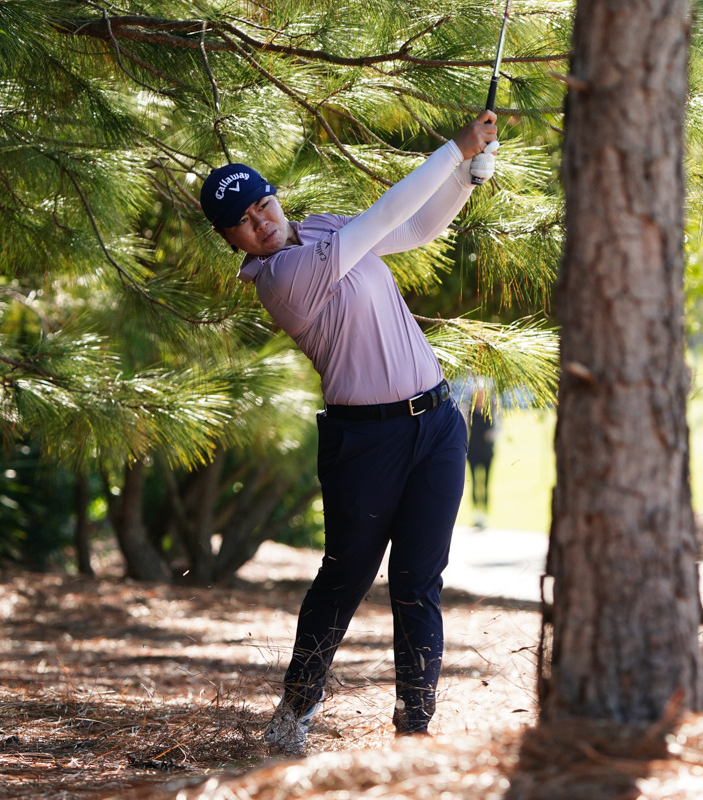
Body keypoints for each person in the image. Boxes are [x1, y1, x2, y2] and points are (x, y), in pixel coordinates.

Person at [199, 111, 498, 755]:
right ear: (233, 243)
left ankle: (414, 730)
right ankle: (297, 708)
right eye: (244, 224)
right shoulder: (279, 278)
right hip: (366, 444)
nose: (262, 222)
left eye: (263, 204)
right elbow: (384, 218)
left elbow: (416, 227)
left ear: (276, 196)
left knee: (420, 580)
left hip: (436, 424)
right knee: (346, 579)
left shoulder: (325, 231)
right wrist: (455, 150)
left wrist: (466, 179)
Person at [465, 377, 496, 527]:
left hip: (487, 452)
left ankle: (484, 514)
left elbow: (497, 428)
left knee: (485, 483)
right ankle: (476, 514)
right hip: (473, 452)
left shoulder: (491, 410)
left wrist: (492, 434)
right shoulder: (469, 411)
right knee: (475, 483)